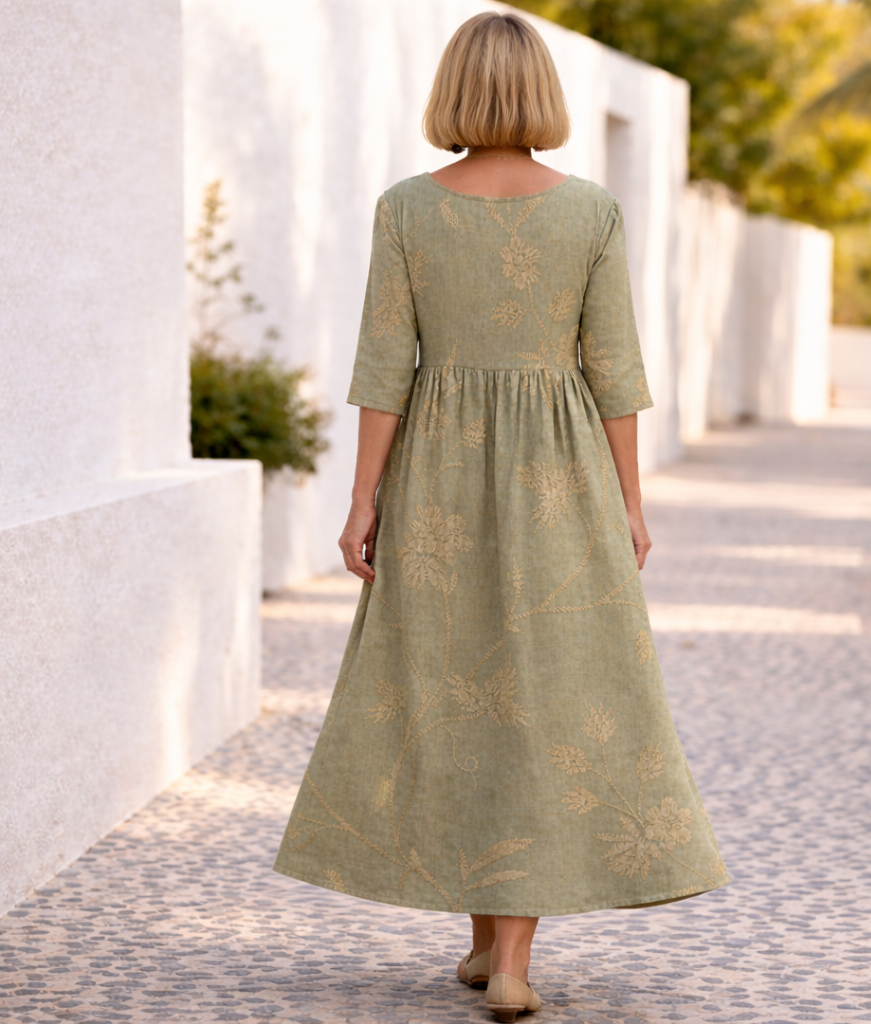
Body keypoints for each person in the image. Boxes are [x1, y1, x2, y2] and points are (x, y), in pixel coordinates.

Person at [274, 12, 729, 1021]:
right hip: (561, 477)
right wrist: (630, 501)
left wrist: (363, 499)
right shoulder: (591, 212)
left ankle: (497, 944)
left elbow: (385, 368)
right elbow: (614, 369)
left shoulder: (405, 208)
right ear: (542, 95)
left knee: (455, 688)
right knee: (543, 692)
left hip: (436, 476)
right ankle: (502, 952)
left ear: (453, 92)